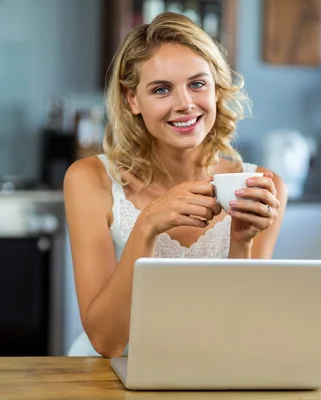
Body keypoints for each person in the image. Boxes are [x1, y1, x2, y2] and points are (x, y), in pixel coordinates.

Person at [63, 12, 288, 358]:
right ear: (132, 100)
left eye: (197, 84)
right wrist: (147, 225)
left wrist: (241, 242)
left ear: (216, 89)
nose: (184, 103)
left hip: (211, 368)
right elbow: (107, 342)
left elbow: (239, 330)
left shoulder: (263, 185)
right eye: (161, 89)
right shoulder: (90, 180)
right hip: (108, 373)